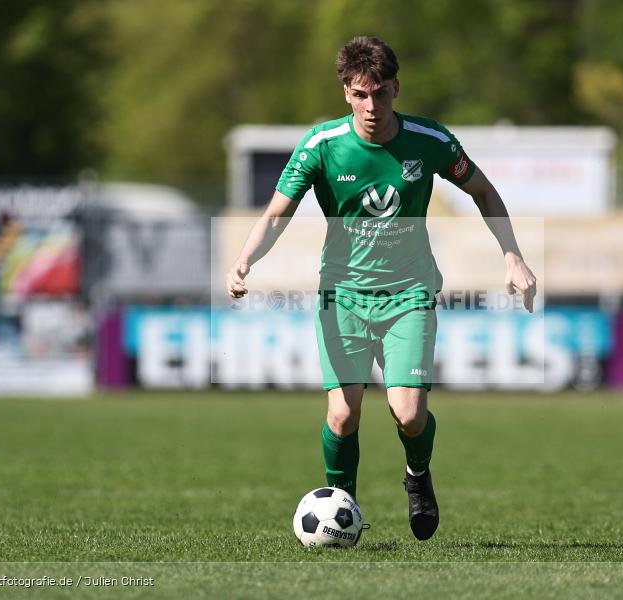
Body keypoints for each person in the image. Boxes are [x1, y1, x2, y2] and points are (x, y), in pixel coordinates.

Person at [226, 36, 536, 541]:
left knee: (409, 415)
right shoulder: (322, 145)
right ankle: (342, 506)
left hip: (409, 294)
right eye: (360, 94)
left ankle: (418, 475)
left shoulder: (429, 140)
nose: (372, 106)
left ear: (396, 88)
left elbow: (482, 190)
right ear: (346, 93)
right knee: (343, 414)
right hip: (343, 295)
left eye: (381, 93)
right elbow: (277, 213)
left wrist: (513, 254)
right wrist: (244, 260)